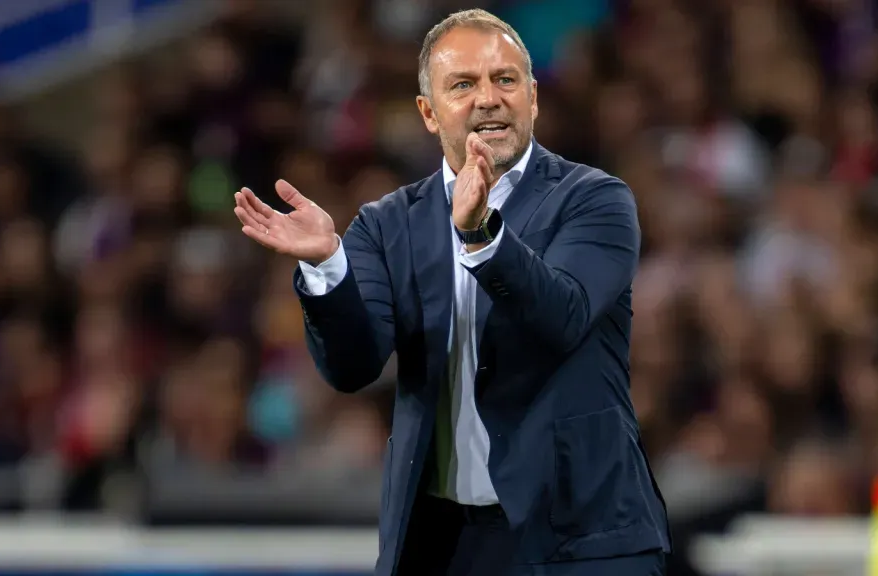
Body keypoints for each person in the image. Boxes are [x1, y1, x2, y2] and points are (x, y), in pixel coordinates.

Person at [233, 9, 670, 576]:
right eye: (463, 84)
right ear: (428, 111)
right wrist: (327, 267)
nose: (488, 98)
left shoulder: (594, 199)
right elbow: (353, 367)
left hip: (582, 540)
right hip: (445, 545)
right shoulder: (386, 225)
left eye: (505, 79)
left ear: (533, 97)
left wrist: (482, 234)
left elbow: (563, 316)